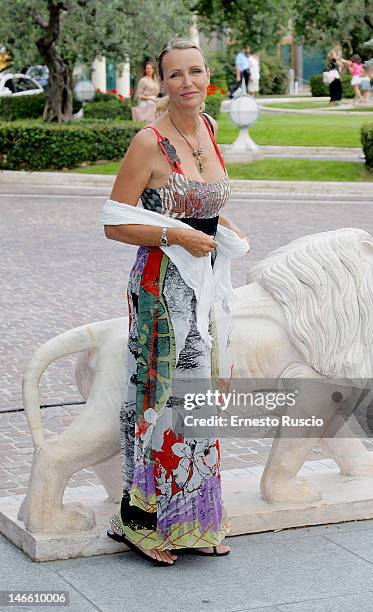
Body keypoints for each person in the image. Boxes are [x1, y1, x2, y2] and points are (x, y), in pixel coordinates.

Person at [102, 38, 250, 566]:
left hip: (204, 280)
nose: (187, 82)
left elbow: (202, 198)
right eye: (174, 75)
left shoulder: (208, 129)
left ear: (209, 76)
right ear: (160, 82)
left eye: (195, 72)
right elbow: (113, 222)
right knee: (159, 395)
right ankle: (141, 523)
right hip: (161, 286)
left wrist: (217, 224)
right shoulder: (149, 142)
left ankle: (191, 520)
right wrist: (177, 237)